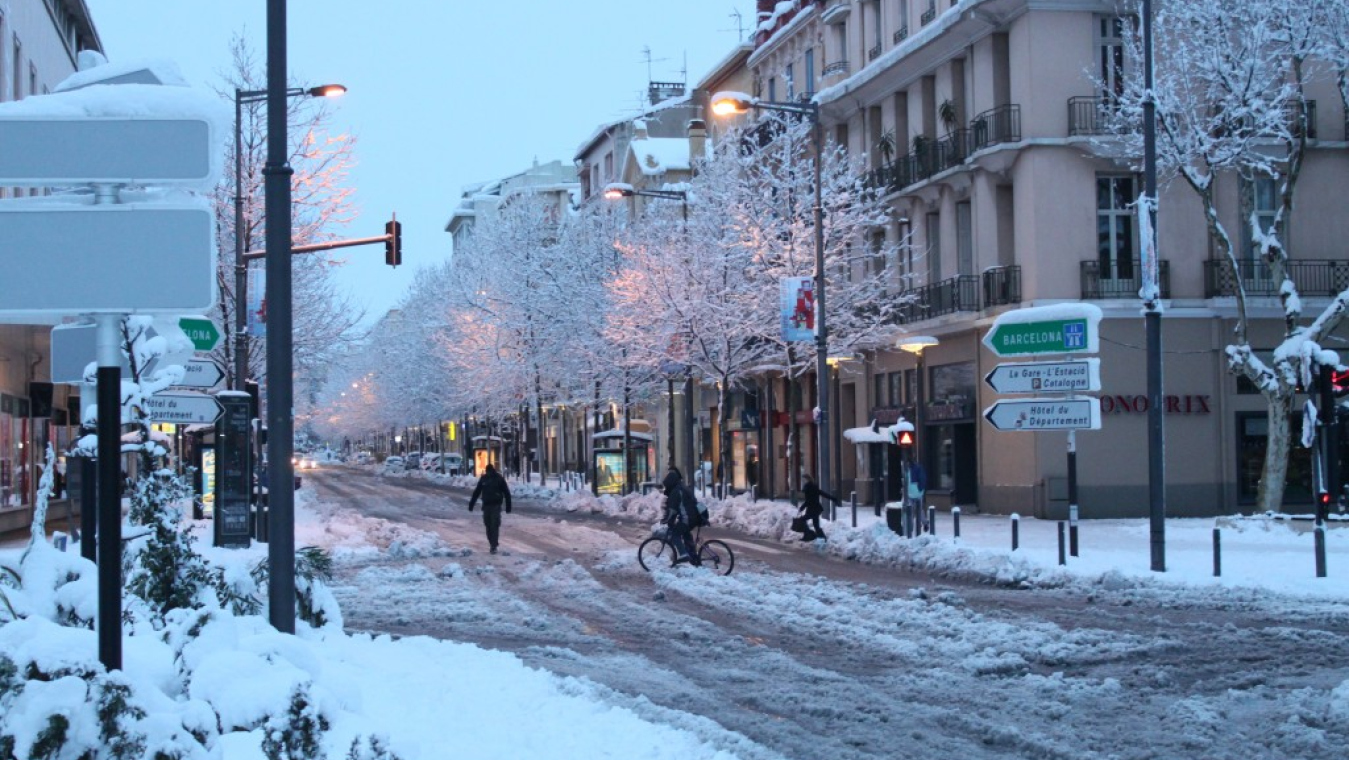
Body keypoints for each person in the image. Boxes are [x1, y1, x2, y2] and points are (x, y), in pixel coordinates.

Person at [468, 463, 512, 554]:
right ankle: (492, 542)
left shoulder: (498, 479)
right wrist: (471, 504)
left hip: (496, 505)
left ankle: (493, 545)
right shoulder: (484, 478)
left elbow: (506, 493)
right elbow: (477, 491)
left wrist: (508, 506)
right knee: (488, 525)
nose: (488, 473)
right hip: (486, 505)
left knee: (494, 525)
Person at [661, 467, 700, 566]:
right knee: (686, 534)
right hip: (693, 517)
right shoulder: (681, 488)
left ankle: (683, 554)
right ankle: (694, 558)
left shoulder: (675, 492)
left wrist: (667, 520)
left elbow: (672, 510)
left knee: (675, 535)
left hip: (687, 518)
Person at [798, 473, 838, 541]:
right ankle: (822, 537)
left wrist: (802, 507)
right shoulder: (813, 486)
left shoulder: (809, 488)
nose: (802, 481)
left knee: (802, 520)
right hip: (816, 509)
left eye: (803, 480)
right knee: (816, 525)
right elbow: (823, 493)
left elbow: (808, 500)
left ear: (806, 480)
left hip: (812, 509)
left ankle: (809, 535)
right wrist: (833, 498)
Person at [907, 459, 927, 534]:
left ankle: (911, 527)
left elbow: (922, 479)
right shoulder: (910, 469)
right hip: (912, 493)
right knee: (917, 510)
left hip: (915, 493)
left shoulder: (915, 468)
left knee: (913, 510)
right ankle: (923, 523)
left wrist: (920, 488)